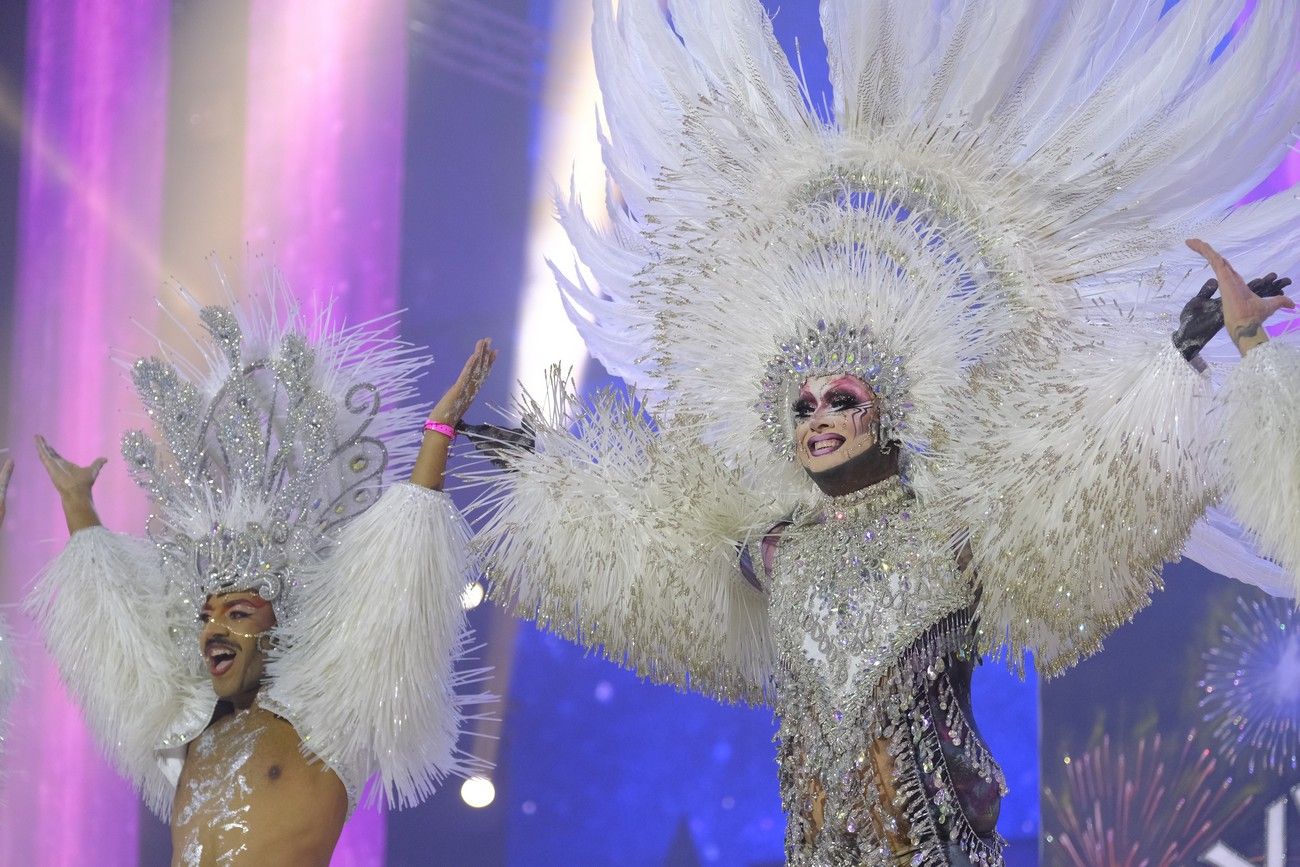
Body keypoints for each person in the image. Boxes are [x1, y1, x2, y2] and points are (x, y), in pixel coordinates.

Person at [463, 1, 1300, 864]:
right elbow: (647, 548)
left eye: (839, 399)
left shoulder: (954, 531)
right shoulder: (775, 549)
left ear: (887, 410)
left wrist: (1182, 353)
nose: (818, 420)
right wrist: (543, 477)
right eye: (802, 407)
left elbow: (1087, 484)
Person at [28, 290, 495, 867]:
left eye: (238, 612)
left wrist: (436, 437)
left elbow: (394, 587)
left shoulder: (326, 723)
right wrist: (78, 505)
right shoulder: (187, 733)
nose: (212, 630)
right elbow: (116, 636)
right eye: (207, 617)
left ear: (281, 626)